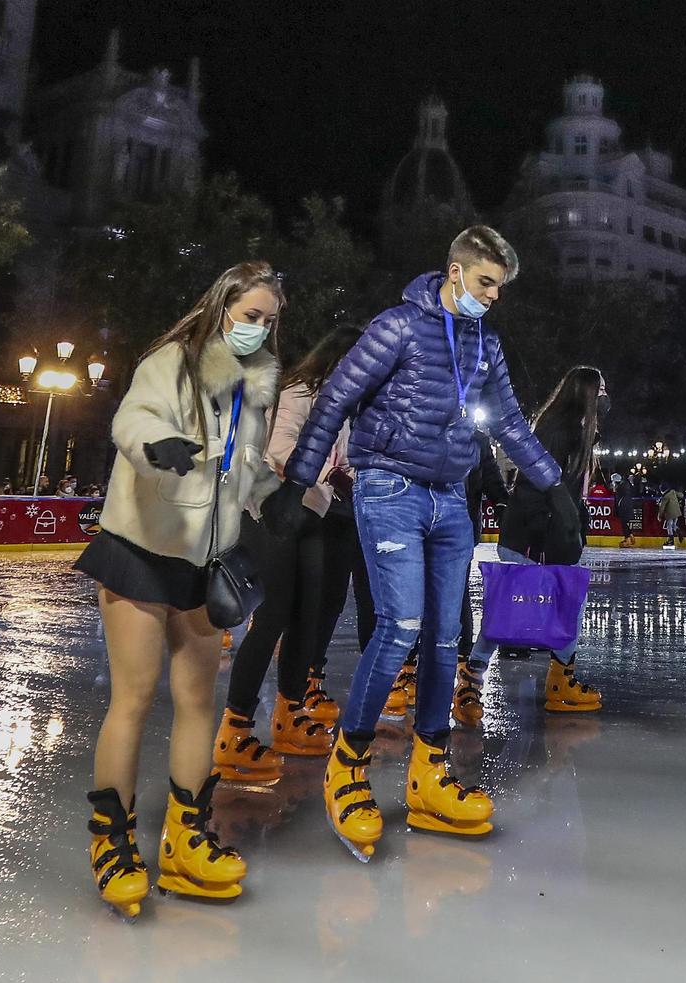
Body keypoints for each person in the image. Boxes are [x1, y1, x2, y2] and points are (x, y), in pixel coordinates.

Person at [269, 226, 568, 862]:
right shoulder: (397, 327)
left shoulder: (486, 342)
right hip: (389, 489)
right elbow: (336, 400)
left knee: (443, 638)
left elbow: (510, 421)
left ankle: (429, 770)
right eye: (486, 282)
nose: (493, 297)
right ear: (456, 271)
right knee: (400, 625)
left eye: (501, 287)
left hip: (450, 498)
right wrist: (298, 482)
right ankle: (347, 763)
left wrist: (552, 485)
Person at [78, 261, 284, 916]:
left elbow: (243, 468)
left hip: (207, 562)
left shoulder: (252, 386)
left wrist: (280, 493)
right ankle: (112, 840)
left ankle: (185, 838)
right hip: (141, 548)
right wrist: (161, 447)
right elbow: (130, 421)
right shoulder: (172, 362)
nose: (260, 329)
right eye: (252, 315)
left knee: (199, 700)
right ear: (222, 306)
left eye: (270, 321)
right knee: (134, 697)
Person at [212, 324, 363, 786]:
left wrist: (349, 475)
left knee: (309, 614)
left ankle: (290, 713)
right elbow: (278, 453)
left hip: (312, 512)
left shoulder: (344, 406)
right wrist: (328, 475)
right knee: (274, 615)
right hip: (272, 512)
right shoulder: (299, 392)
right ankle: (235, 727)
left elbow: (343, 457)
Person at [465, 365, 605, 718]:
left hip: (548, 536)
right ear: (585, 393)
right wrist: (550, 538)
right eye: (600, 390)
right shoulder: (558, 431)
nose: (605, 398)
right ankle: (472, 679)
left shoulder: (575, 432)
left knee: (567, 606)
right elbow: (537, 488)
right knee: (507, 614)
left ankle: (560, 679)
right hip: (534, 538)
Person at [660, 483, 686, 549]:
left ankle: (671, 540)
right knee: (674, 525)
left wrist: (659, 516)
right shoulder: (673, 492)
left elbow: (662, 508)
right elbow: (681, 495)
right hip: (677, 512)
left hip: (670, 513)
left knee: (669, 526)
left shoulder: (665, 497)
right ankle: (678, 531)